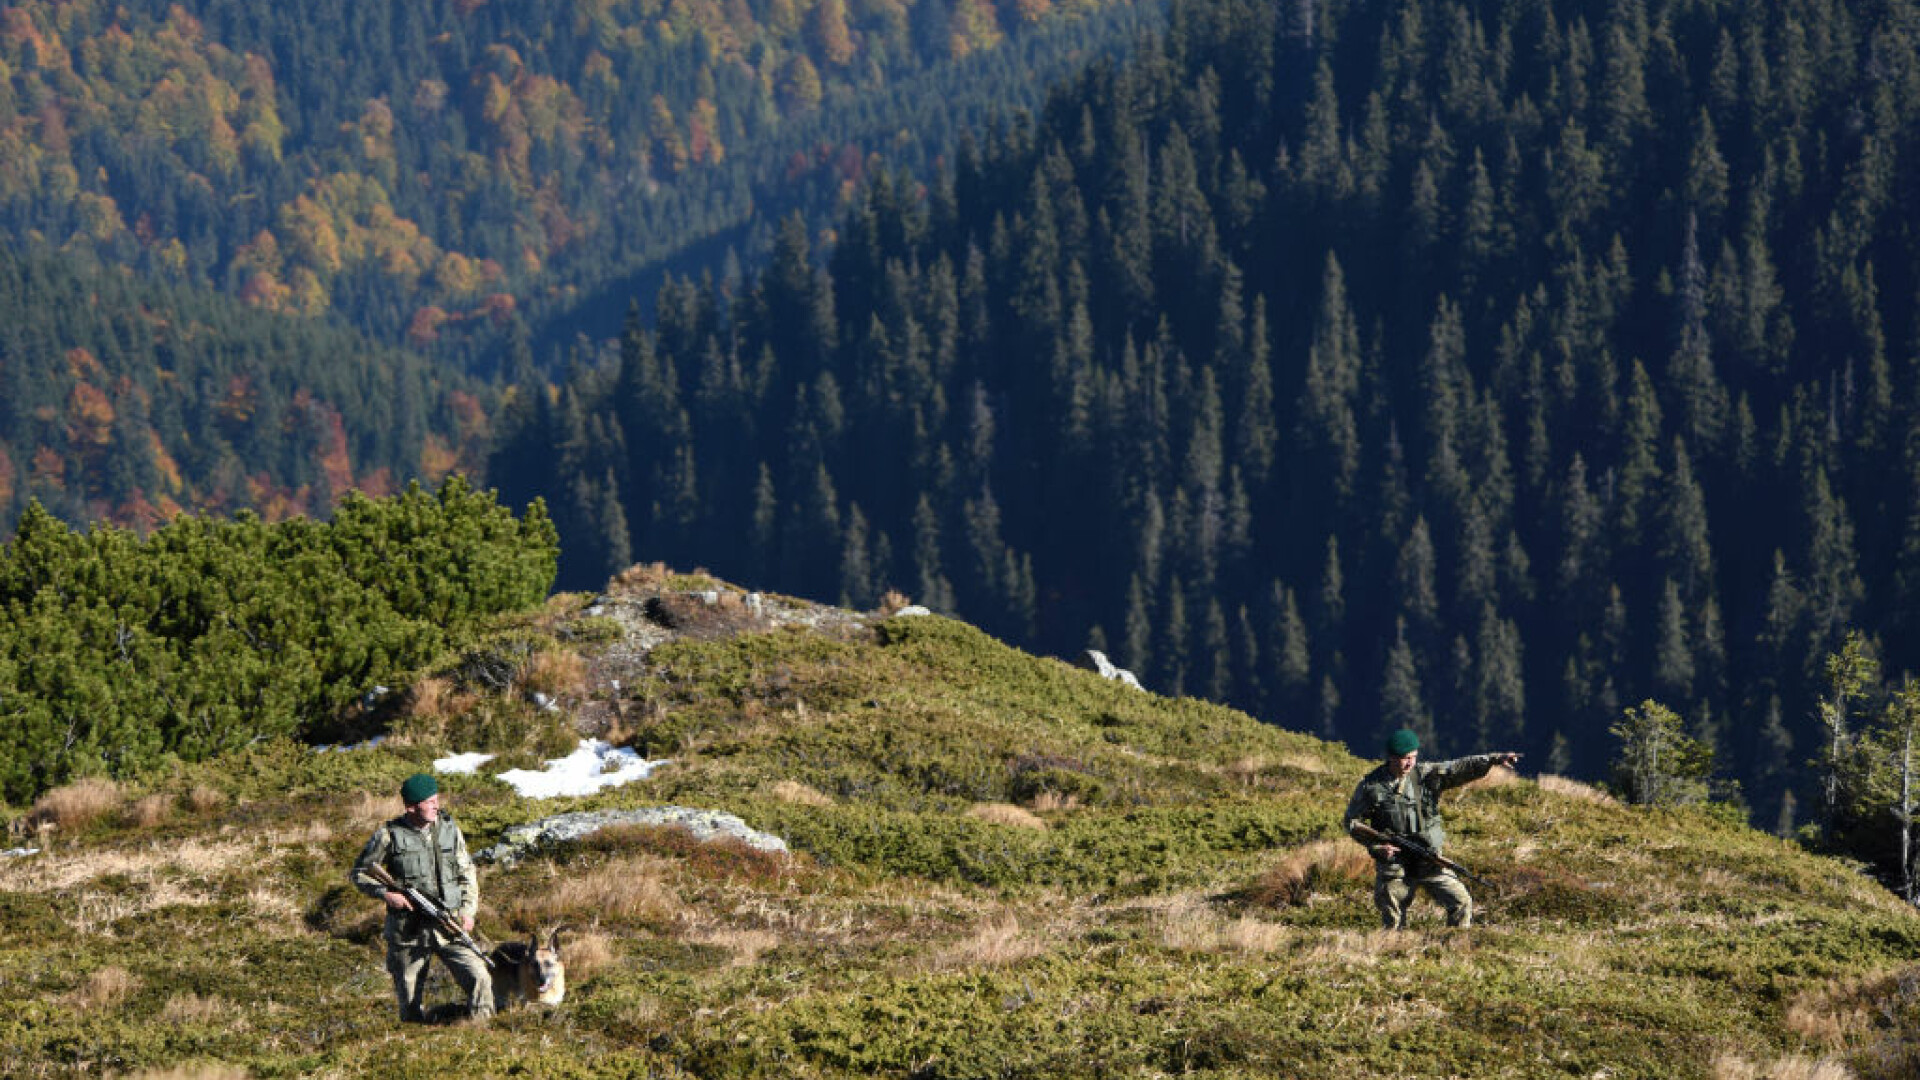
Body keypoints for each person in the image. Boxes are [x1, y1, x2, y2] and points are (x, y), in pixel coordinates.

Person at [350, 773, 493, 1022]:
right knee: (410, 999)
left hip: (449, 923)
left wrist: (468, 912)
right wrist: (387, 894)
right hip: (408, 931)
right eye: (430, 801)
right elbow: (360, 873)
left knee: (480, 976)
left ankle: (482, 1034)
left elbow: (467, 873)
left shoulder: (450, 830)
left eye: (437, 799)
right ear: (412, 807)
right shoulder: (388, 835)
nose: (436, 805)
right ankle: (414, 1045)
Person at [1343, 729, 1519, 930]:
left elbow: (1458, 768)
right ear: (1391, 757)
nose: (1410, 763)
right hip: (1395, 863)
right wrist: (1377, 847)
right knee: (1393, 916)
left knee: (1461, 902)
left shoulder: (1425, 775)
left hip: (1428, 858)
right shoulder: (1370, 787)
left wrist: (1493, 759)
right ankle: (1393, 952)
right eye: (1404, 758)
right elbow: (1352, 822)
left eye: (1414, 757)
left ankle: (1456, 947)